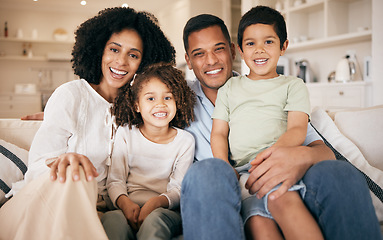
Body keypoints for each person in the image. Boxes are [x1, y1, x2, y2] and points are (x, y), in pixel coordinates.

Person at [180, 12, 381, 240]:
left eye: (219, 49)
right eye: (199, 54)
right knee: (210, 174)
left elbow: (318, 147)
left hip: (279, 175)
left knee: (340, 172)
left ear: (233, 50)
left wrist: (291, 157)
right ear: (188, 60)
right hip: (231, 187)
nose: (211, 60)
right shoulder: (174, 98)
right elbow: (146, 93)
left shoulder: (284, 88)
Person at [0, 7, 176, 240]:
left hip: (102, 213)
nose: (121, 61)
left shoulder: (142, 108)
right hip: (47, 201)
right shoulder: (70, 95)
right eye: (114, 49)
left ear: (144, 62)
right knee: (78, 173)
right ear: (98, 50)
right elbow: (36, 169)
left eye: (133, 55)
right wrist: (67, 162)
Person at [210, 6, 323, 240]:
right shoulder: (229, 88)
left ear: (284, 46)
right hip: (243, 175)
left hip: (279, 166)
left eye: (269, 42)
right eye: (250, 43)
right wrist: (224, 166)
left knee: (284, 202)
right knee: (259, 226)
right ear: (240, 50)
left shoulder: (293, 85)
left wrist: (271, 160)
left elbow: (297, 129)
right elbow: (219, 133)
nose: (259, 49)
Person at [102, 63, 196, 240]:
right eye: (151, 99)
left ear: (177, 101)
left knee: (154, 223)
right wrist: (125, 204)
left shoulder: (185, 141)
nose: (160, 104)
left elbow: (178, 189)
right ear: (137, 105)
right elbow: (115, 180)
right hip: (125, 206)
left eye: (168, 98)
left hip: (163, 210)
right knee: (112, 220)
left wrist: (155, 203)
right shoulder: (126, 134)